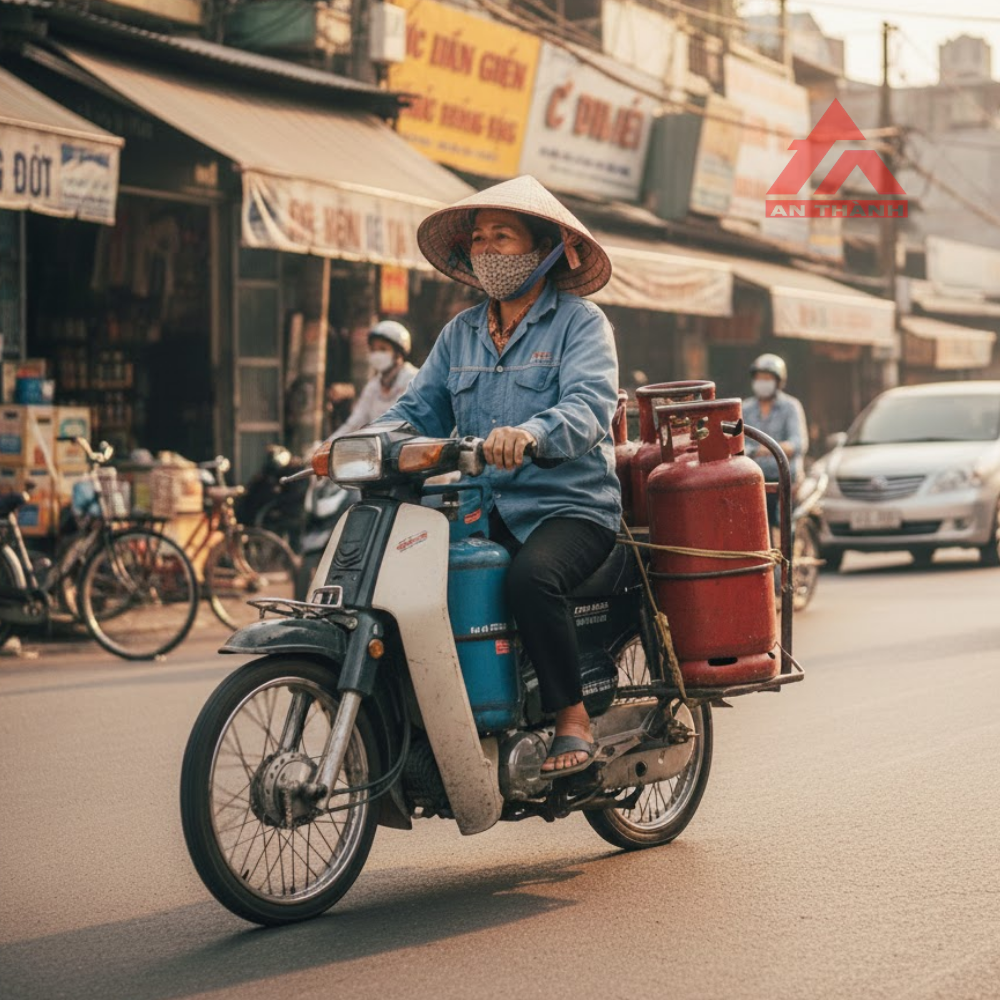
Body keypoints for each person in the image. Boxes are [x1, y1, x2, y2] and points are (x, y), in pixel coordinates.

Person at [375, 175, 622, 776]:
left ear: (545, 248)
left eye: (503, 237)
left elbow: (590, 405)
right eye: (479, 239)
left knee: (530, 580)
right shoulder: (459, 333)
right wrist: (353, 445)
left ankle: (572, 720)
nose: (487, 250)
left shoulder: (581, 324)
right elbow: (412, 412)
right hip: (478, 511)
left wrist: (532, 434)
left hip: (571, 509)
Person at [742, 353, 809, 542]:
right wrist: (754, 450)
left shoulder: (791, 407)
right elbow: (738, 442)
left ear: (778, 381)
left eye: (768, 378)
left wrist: (762, 449)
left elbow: (797, 443)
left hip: (784, 479)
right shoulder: (745, 408)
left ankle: (787, 565)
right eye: (759, 378)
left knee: (785, 529)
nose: (763, 382)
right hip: (756, 479)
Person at [328, 320, 418, 439]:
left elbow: (404, 422)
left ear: (398, 353)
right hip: (376, 450)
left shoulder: (413, 380)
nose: (376, 354)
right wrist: (328, 444)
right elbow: (354, 423)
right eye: (373, 350)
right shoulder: (373, 385)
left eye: (383, 349)